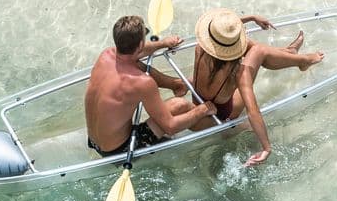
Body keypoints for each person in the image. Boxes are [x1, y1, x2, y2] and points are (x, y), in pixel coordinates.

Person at [188, 8, 324, 166]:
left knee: (251, 46)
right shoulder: (237, 73)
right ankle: (301, 60)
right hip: (226, 114)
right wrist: (266, 147)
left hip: (200, 102)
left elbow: (223, 31)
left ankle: (289, 53)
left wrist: (251, 17)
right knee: (259, 50)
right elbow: (253, 110)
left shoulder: (199, 48)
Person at [85, 14, 217, 157]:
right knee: (180, 106)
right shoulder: (143, 83)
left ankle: (176, 85)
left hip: (93, 141)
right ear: (140, 44)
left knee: (136, 65)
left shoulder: (105, 56)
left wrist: (163, 43)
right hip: (120, 150)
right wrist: (201, 110)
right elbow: (170, 126)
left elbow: (134, 53)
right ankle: (221, 127)